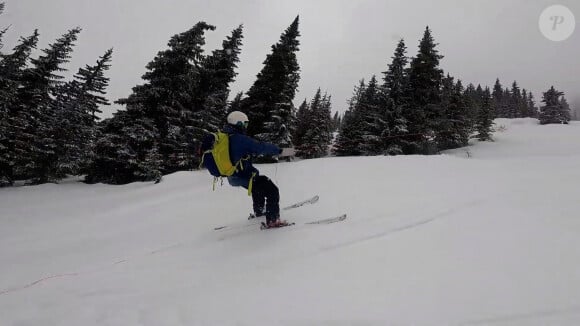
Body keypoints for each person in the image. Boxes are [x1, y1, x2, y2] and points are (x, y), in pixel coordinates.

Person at [222, 111, 286, 228]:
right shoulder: (239, 139)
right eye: (244, 124)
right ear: (238, 123)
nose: (246, 127)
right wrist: (278, 150)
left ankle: (259, 211)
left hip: (232, 176)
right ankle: (273, 220)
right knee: (272, 190)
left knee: (258, 185)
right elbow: (260, 146)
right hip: (243, 175)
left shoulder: (225, 137)